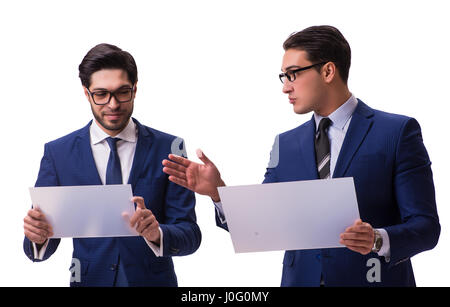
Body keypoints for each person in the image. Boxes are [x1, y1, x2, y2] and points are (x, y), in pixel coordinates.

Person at [161, 25, 440, 286]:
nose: (285, 86)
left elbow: (426, 227)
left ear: (328, 71)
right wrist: (218, 192)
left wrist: (377, 239)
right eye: (284, 76)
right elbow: (260, 223)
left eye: (293, 74)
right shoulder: (285, 144)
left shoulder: (397, 132)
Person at [23, 43, 201, 287]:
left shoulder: (169, 148)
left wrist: (156, 233)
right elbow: (40, 242)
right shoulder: (58, 154)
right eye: (101, 94)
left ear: (135, 89)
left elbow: (190, 234)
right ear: (87, 94)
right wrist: (37, 237)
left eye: (122, 92)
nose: (113, 104)